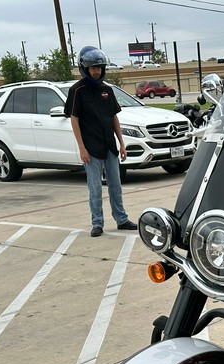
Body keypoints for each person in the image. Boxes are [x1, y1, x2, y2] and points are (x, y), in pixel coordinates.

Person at [64, 46, 136, 237]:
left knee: (116, 185)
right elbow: (74, 119)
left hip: (109, 146)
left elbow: (114, 117)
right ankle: (97, 223)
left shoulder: (107, 90)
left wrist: (121, 143)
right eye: (92, 68)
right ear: (84, 68)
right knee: (95, 188)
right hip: (91, 149)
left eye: (99, 68)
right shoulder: (77, 91)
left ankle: (121, 219)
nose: (96, 71)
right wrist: (82, 148)